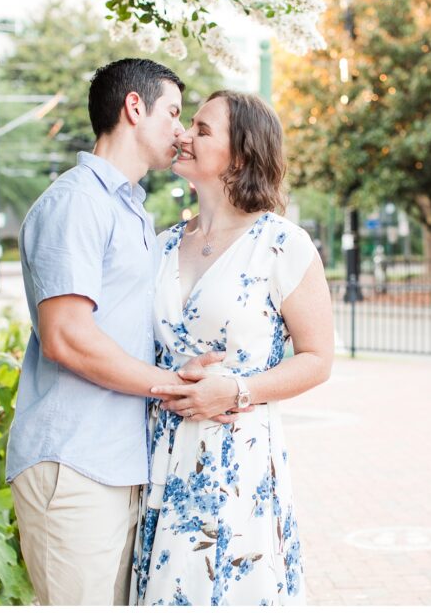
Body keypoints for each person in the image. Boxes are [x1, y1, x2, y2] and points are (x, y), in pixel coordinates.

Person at [5, 58, 226, 605]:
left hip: (122, 465)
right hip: (74, 464)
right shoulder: (77, 201)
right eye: (173, 113)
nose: (181, 130)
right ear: (134, 108)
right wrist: (173, 386)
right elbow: (67, 337)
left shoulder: (130, 210)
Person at [131, 91, 334, 605]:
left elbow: (318, 359)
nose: (183, 135)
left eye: (202, 129)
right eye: (188, 124)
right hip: (160, 459)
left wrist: (238, 390)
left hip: (237, 465)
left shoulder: (283, 245)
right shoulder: (159, 245)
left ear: (240, 154)